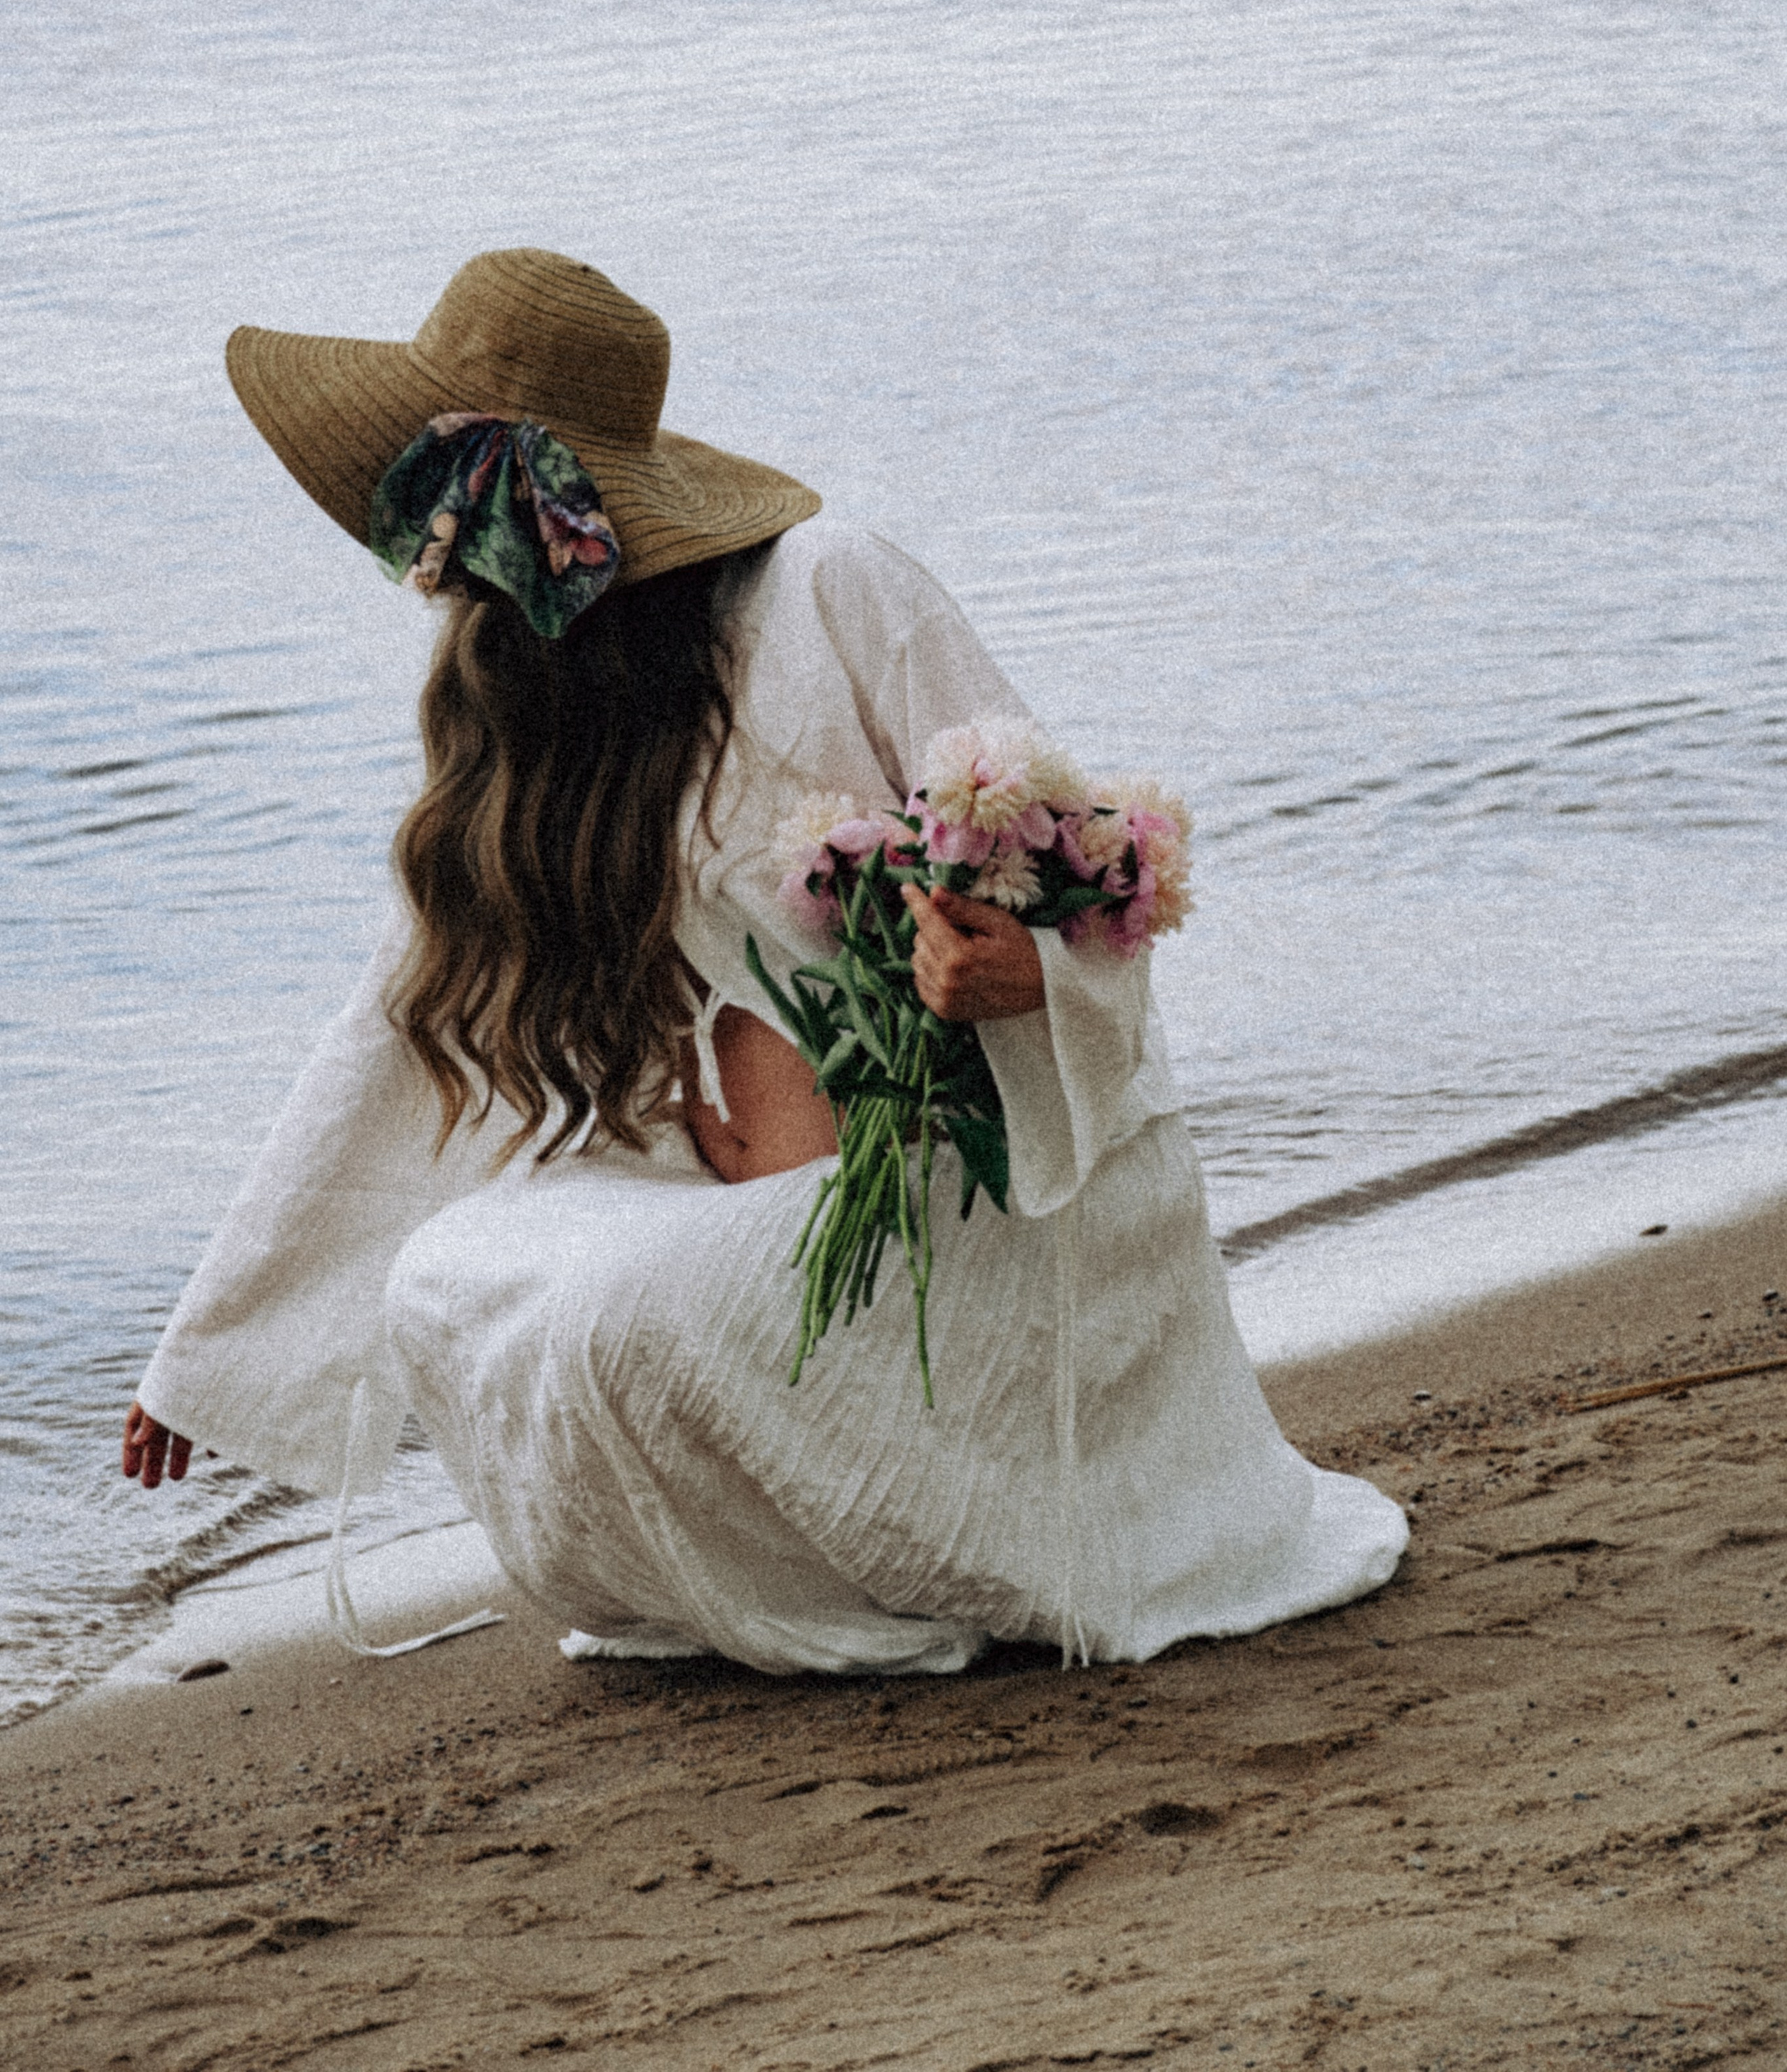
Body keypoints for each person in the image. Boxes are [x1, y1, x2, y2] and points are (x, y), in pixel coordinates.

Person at [124, 248, 1407, 1673]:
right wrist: (210, 1355)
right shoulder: (534, 708)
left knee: (616, 1317)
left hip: (977, 1196)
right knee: (449, 1277)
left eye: (463, 497)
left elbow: (1084, 882)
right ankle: (756, 1586)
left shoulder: (828, 588)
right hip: (733, 1197)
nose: (438, 549)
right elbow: (398, 1024)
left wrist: (1015, 973)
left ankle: (883, 1570)